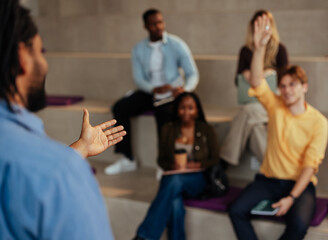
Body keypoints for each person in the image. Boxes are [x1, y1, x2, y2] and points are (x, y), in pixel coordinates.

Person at [0, 1, 126, 239]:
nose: (44, 63)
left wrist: (79, 149)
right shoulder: (60, 173)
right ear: (22, 58)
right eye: (40, 52)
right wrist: (66, 163)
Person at [228, 15, 328, 240]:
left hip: (300, 185)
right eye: (282, 86)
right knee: (235, 210)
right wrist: (260, 47)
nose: (287, 90)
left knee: (298, 226)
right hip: (268, 180)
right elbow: (256, 82)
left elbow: (310, 167)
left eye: (292, 84)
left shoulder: (319, 121)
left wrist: (291, 198)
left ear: (305, 87)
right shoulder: (275, 106)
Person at [105, 9, 199, 175]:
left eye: (160, 22)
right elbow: (138, 78)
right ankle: (127, 158)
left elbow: (193, 74)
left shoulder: (177, 44)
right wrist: (153, 89)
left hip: (173, 94)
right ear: (146, 26)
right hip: (150, 92)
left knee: (163, 113)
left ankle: (163, 162)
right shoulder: (138, 49)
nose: (158, 27)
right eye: (154, 24)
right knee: (120, 108)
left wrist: (185, 90)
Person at [133, 92, 219, 240]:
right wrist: (172, 165)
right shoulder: (168, 129)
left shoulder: (206, 130)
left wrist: (198, 164)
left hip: (197, 180)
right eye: (182, 108)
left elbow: (215, 159)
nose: (186, 112)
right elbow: (161, 160)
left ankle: (145, 236)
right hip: (174, 176)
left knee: (174, 182)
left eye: (190, 108)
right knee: (174, 203)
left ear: (197, 110)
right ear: (176, 110)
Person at [220, 10, 288, 165]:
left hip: (271, 103)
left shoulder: (280, 49)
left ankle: (223, 162)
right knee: (256, 128)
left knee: (247, 113)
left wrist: (270, 73)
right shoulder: (245, 51)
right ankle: (272, 168)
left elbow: (287, 80)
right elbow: (237, 82)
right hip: (252, 102)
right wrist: (245, 73)